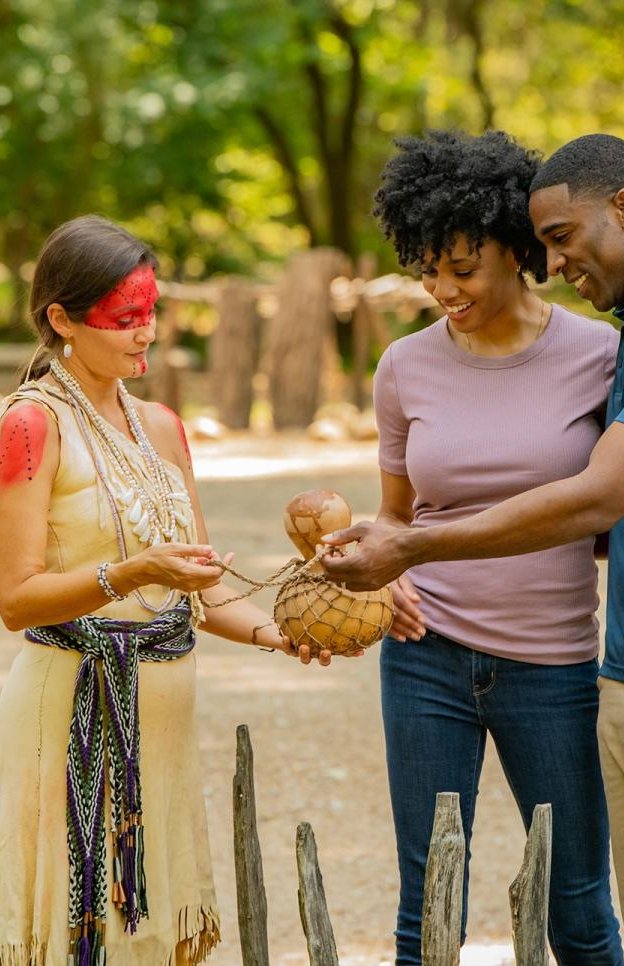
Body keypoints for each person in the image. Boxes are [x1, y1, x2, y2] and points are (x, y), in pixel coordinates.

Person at [322, 132, 624, 925]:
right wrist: (387, 569)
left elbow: (605, 504)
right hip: (425, 659)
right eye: (426, 268)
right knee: (428, 897)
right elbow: (398, 517)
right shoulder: (403, 367)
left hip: (556, 662)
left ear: (514, 249)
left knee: (578, 903)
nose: (441, 288)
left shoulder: (603, 354)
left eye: (460, 268)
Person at [0, 214, 334, 965]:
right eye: (124, 319)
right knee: (74, 929)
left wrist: (277, 633)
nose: (144, 333)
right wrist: (130, 572)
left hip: (165, 728)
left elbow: (202, 589)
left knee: (149, 935)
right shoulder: (29, 424)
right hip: (68, 715)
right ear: (61, 318)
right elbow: (15, 599)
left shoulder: (164, 426)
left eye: (150, 314)